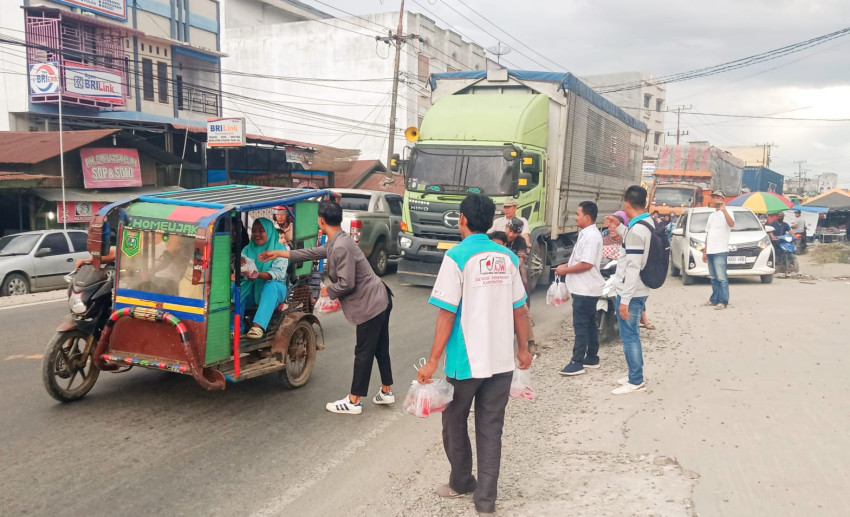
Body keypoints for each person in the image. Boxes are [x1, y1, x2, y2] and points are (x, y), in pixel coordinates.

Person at [415, 194, 533, 516]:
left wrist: (433, 361)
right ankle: (486, 503)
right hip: (501, 362)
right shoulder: (507, 257)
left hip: (465, 363)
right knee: (490, 429)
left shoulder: (456, 257)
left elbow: (446, 314)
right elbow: (520, 310)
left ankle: (461, 482)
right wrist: (524, 349)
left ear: (463, 220)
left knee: (454, 421)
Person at [259, 201, 394, 415]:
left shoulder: (340, 246)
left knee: (364, 351)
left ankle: (354, 400)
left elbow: (346, 283)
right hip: (380, 298)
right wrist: (279, 253)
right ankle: (386, 391)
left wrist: (327, 291)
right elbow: (312, 253)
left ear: (321, 220)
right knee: (378, 348)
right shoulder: (337, 240)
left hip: (371, 304)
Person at [603, 185, 654, 395]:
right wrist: (621, 227)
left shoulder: (636, 230)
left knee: (630, 335)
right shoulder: (645, 223)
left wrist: (624, 299)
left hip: (631, 292)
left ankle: (636, 381)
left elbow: (633, 267)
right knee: (631, 334)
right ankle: (635, 373)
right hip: (641, 290)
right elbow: (635, 244)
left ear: (626, 204)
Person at [554, 201, 604, 376]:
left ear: (587, 217)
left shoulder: (591, 236)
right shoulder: (587, 234)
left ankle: (577, 362)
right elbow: (581, 260)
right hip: (585, 287)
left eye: (578, 214)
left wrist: (565, 270)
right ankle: (591, 357)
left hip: (586, 288)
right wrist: (565, 265)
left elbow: (587, 264)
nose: (576, 217)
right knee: (590, 323)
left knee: (581, 325)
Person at [239, 218, 290, 339]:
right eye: (254, 230)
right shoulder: (247, 249)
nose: (257, 234)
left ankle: (258, 326)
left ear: (269, 231)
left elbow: (278, 274)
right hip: (252, 286)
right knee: (236, 288)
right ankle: (235, 328)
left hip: (275, 289)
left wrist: (257, 274)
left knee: (270, 285)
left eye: (261, 230)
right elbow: (242, 267)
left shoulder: (280, 250)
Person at [702, 190, 735, 310]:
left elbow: (731, 224)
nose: (715, 200)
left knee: (721, 277)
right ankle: (714, 299)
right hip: (710, 250)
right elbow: (707, 233)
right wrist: (705, 251)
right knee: (713, 277)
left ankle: (723, 301)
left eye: (717, 198)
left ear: (722, 199)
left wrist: (724, 210)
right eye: (713, 197)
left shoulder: (729, 212)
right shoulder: (711, 216)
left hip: (720, 250)